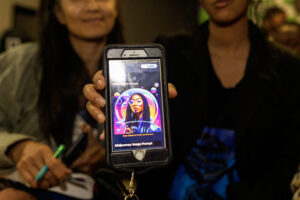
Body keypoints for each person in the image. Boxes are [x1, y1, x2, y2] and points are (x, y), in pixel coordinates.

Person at [84, 0, 300, 199]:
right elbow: (151, 156)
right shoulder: (170, 52)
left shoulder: (288, 69)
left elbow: (283, 165)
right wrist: (123, 128)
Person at [0, 0, 123, 199]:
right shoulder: (17, 64)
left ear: (116, 7)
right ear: (58, 12)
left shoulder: (135, 71)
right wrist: (18, 147)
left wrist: (109, 157)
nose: (92, 6)